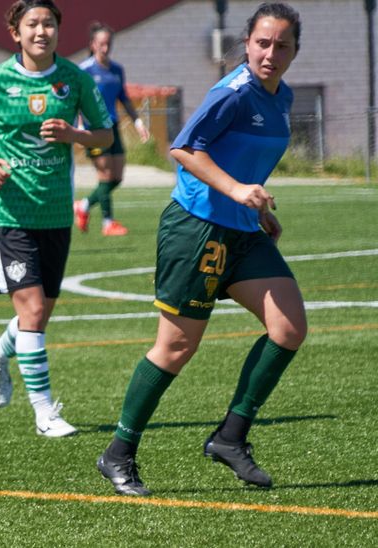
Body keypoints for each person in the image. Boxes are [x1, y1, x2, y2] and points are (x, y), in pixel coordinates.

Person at [97, 3, 305, 496]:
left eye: (282, 45)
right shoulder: (233, 93)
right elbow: (185, 149)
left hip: (242, 231)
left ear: (295, 51)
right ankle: (118, 452)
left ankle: (230, 437)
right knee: (175, 347)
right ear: (247, 42)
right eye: (262, 42)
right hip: (197, 230)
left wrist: (256, 209)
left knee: (289, 327)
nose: (270, 53)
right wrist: (237, 191)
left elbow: (244, 159)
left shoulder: (282, 97)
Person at [0, 0, 113, 438]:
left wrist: (74, 134)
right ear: (15, 33)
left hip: (56, 212)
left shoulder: (74, 80)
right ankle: (45, 412)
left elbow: (106, 133)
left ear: (59, 30)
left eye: (49, 24)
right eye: (32, 24)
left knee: (36, 319)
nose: (42, 31)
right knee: (34, 310)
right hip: (10, 213)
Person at [73, 22, 152, 237]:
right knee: (106, 175)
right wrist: (79, 127)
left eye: (108, 44)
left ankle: (84, 206)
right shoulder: (84, 70)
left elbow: (124, 98)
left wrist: (137, 122)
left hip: (113, 126)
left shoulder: (117, 70)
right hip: (93, 128)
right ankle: (108, 223)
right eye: (101, 44)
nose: (105, 48)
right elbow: (77, 100)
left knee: (117, 177)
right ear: (93, 44)